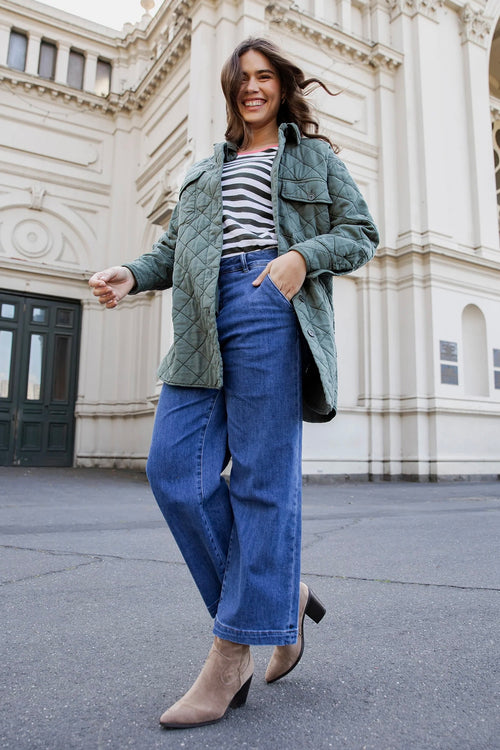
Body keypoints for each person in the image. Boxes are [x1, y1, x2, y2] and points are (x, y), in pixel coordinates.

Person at [89, 37, 379, 729]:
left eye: (263, 75)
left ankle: (230, 657)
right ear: (230, 90)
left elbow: (360, 233)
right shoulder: (202, 171)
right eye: (241, 78)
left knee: (259, 481)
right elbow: (172, 252)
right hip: (199, 319)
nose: (252, 86)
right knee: (173, 471)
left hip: (267, 302)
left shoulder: (313, 158)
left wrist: (301, 258)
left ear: (281, 86)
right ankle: (281, 597)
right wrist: (131, 274)